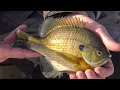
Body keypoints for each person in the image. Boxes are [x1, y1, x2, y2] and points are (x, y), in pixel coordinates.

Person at [0, 11, 120, 79]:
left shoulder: (95, 43)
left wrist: (70, 13)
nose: (103, 55)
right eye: (98, 53)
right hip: (18, 26)